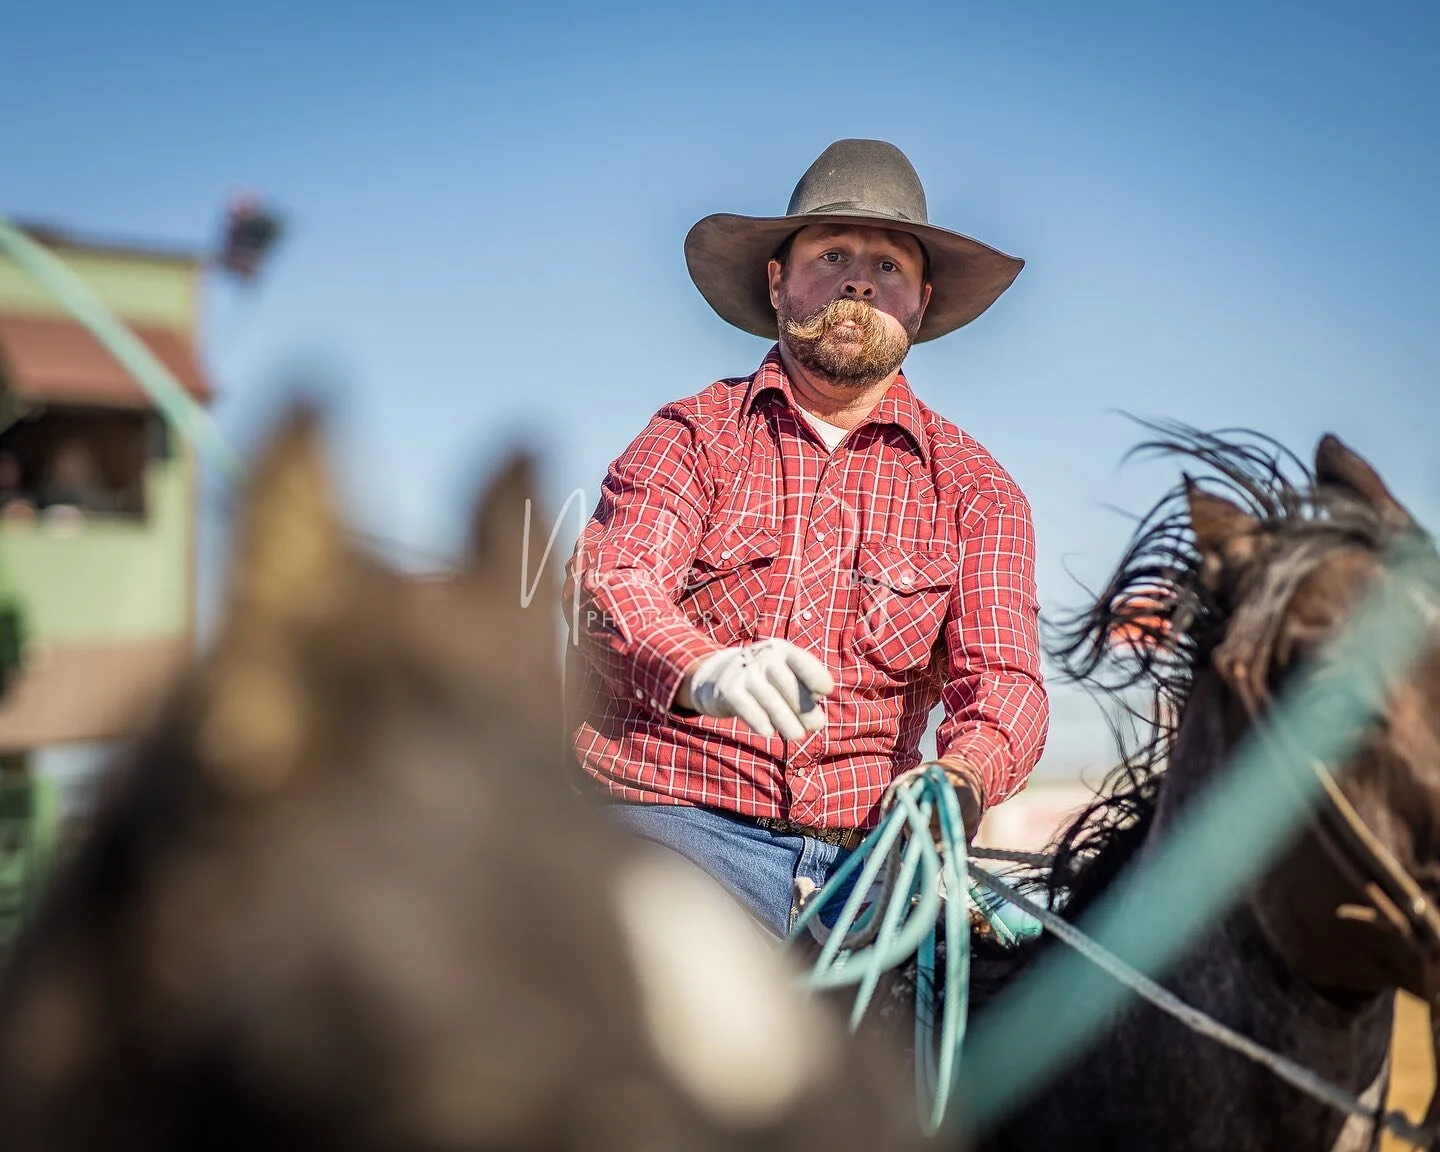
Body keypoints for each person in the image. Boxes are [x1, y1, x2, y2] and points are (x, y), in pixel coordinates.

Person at [564, 139, 1049, 938]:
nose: (859, 280)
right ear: (777, 281)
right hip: (670, 829)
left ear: (920, 302)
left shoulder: (978, 491)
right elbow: (616, 579)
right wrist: (703, 671)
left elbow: (1004, 681)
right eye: (832, 255)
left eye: (888, 265)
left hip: (870, 864)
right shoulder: (693, 436)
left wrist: (963, 776)